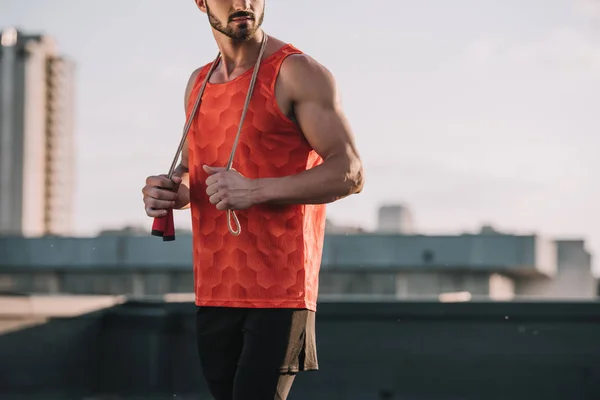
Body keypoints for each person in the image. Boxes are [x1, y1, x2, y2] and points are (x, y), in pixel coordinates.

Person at [141, 1, 364, 399]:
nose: (243, 2)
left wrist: (256, 189)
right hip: (215, 284)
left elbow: (350, 172)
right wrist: (171, 192)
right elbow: (198, 175)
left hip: (280, 288)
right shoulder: (198, 83)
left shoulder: (297, 72)